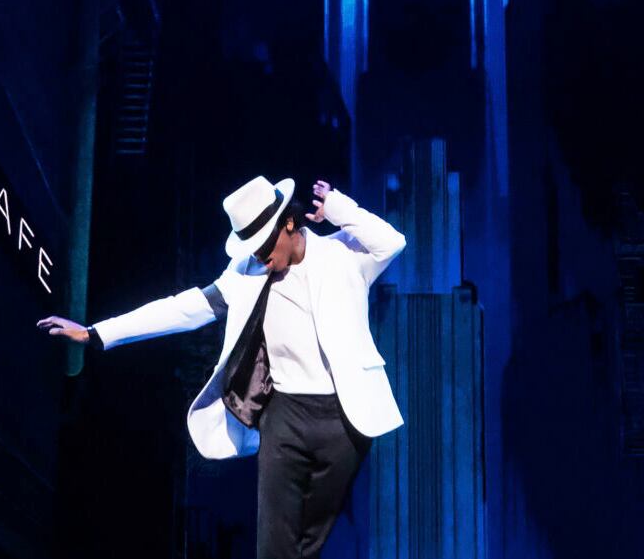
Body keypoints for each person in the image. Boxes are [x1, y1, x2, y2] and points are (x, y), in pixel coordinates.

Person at [38, 177, 405, 559]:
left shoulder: (343, 255)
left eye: (264, 244)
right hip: (284, 416)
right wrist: (97, 333)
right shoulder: (246, 274)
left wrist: (338, 208)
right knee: (274, 546)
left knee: (309, 543)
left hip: (345, 417)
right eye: (252, 247)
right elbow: (183, 308)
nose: (260, 256)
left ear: (289, 223)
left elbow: (392, 242)